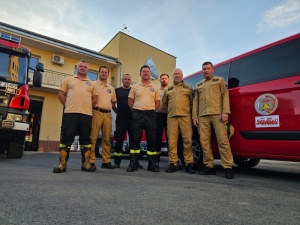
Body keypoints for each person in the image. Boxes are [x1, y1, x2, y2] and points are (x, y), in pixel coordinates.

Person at [53, 59, 98, 173]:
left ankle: (86, 164)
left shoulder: (92, 83)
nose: (83, 68)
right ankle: (62, 164)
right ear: (77, 68)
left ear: (88, 70)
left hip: (86, 115)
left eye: (85, 67)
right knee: (66, 139)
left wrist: (86, 106)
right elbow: (61, 95)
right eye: (81, 66)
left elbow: (95, 99)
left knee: (85, 140)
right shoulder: (68, 80)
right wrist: (68, 105)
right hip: (70, 114)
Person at [192, 61, 234, 179]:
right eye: (204, 69)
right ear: (202, 71)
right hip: (202, 116)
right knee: (204, 142)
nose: (206, 70)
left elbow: (225, 96)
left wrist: (225, 112)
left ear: (212, 69)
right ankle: (209, 166)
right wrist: (194, 116)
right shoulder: (199, 84)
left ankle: (227, 167)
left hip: (217, 115)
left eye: (208, 68)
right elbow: (195, 102)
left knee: (223, 141)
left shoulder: (219, 81)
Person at [127, 65, 160, 172]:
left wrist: (151, 110)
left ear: (150, 74)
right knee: (135, 139)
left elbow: (158, 102)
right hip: (138, 114)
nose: (146, 73)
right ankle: (133, 163)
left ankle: (152, 165)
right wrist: (136, 112)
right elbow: (130, 101)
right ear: (140, 73)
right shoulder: (135, 87)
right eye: (143, 71)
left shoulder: (154, 87)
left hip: (150, 114)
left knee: (152, 139)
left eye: (147, 71)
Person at [162, 68, 195, 174]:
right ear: (173, 76)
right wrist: (170, 112)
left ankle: (188, 163)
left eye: (179, 74)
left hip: (185, 117)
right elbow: (165, 104)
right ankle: (173, 163)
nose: (177, 75)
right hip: (172, 118)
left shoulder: (188, 88)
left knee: (187, 141)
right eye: (175, 74)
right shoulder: (169, 89)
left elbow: (192, 103)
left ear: (182, 75)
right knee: (172, 142)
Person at [112, 74, 143, 169]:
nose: (127, 80)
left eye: (129, 79)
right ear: (122, 80)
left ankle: (135, 161)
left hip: (133, 119)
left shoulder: (133, 90)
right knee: (119, 141)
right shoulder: (117, 91)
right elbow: (113, 104)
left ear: (131, 81)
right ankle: (117, 162)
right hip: (121, 119)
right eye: (125, 79)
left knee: (134, 141)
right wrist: (118, 112)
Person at [90, 66, 116, 170]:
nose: (104, 73)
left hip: (108, 114)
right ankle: (91, 161)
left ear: (108, 74)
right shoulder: (93, 84)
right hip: (96, 112)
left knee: (106, 139)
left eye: (106, 72)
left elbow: (113, 102)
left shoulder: (111, 88)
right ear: (99, 73)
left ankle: (106, 161)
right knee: (93, 138)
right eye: (102, 72)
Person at [155, 74, 169, 163]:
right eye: (162, 78)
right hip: (158, 116)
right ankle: (156, 159)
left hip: (169, 116)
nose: (164, 80)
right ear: (160, 80)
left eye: (165, 78)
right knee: (157, 138)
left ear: (168, 80)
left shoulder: (171, 90)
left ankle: (173, 160)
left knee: (170, 138)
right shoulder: (156, 90)